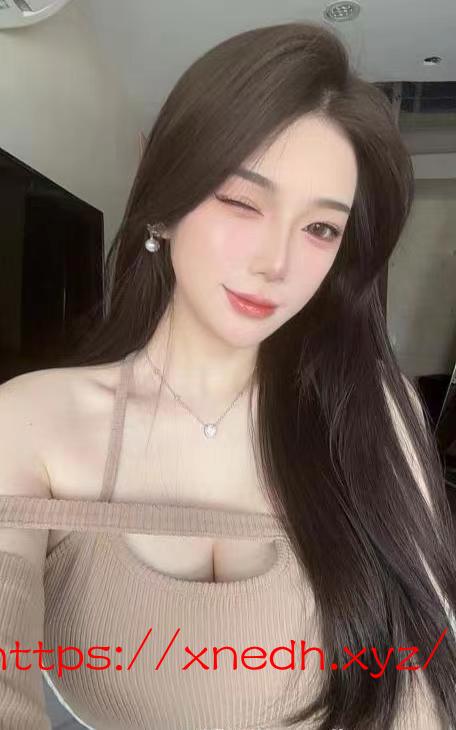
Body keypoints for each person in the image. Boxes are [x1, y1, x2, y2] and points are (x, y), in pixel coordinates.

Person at [0, 20, 455, 730]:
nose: (277, 262)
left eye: (321, 228)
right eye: (243, 201)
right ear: (164, 201)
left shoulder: (371, 409)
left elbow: (421, 681)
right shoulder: (32, 422)